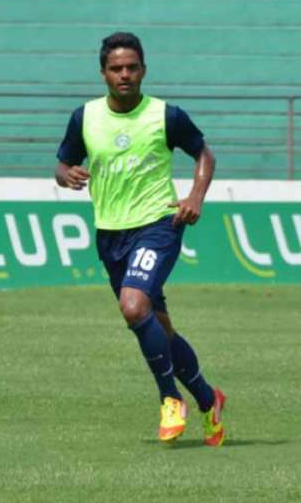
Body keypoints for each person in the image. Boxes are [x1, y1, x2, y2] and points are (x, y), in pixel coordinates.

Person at [55, 32, 226, 446]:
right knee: (158, 328)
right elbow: (63, 163)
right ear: (103, 74)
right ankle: (208, 398)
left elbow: (204, 154)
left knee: (133, 306)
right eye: (116, 68)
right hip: (110, 233)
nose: (125, 74)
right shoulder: (86, 117)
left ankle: (170, 399)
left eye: (132, 67)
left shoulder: (166, 116)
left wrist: (195, 197)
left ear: (144, 70)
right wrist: (67, 175)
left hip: (158, 224)